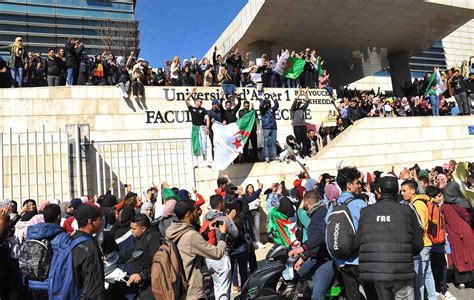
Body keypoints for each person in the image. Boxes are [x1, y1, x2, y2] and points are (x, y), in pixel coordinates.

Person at [356, 176, 424, 300]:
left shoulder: (366, 212)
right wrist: (403, 253)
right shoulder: (407, 211)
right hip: (401, 271)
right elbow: (418, 244)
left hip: (376, 273)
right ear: (398, 191)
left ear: (379, 191)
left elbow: (358, 243)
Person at [325, 166, 374, 300]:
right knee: (372, 294)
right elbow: (369, 233)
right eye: (358, 182)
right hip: (361, 260)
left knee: (352, 296)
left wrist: (336, 259)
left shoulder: (332, 207)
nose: (360, 185)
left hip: (342, 262)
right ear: (349, 185)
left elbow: (327, 235)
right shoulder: (360, 204)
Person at [166, 199, 227, 299]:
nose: (198, 213)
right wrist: (223, 235)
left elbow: (188, 246)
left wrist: (205, 233)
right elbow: (217, 253)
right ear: (188, 214)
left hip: (180, 286)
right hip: (192, 290)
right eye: (195, 211)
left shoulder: (172, 230)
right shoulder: (191, 235)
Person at [288, 190, 334, 300]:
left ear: (307, 203)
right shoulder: (315, 214)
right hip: (315, 257)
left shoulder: (322, 213)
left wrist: (302, 248)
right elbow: (315, 243)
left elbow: (321, 236)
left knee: (317, 295)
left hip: (326, 260)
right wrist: (303, 257)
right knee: (296, 278)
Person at [400, 180, 437, 300]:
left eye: (404, 191)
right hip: (426, 242)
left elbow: (420, 226)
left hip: (422, 244)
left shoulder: (417, 204)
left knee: (419, 279)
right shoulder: (421, 202)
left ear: (413, 191)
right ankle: (432, 297)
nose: (402, 193)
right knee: (427, 275)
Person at [202, 195, 238, 300]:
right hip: (221, 255)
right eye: (223, 202)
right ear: (220, 204)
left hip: (209, 255)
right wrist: (230, 219)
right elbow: (235, 233)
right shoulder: (223, 218)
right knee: (224, 288)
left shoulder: (206, 216)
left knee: (217, 286)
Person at [119, 214, 161, 299]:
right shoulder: (141, 239)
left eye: (133, 229)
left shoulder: (153, 238)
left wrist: (142, 275)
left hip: (151, 286)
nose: (131, 231)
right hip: (140, 284)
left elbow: (159, 264)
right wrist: (113, 257)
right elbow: (129, 253)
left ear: (143, 228)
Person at [441, 182, 474, 289]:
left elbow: (444, 221)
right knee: (470, 255)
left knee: (458, 256)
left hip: (453, 234)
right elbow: (468, 217)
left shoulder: (444, 206)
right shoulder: (463, 203)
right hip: (466, 232)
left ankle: (461, 282)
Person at [72, 203, 106, 299]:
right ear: (90, 221)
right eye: (100, 219)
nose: (102, 222)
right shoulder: (89, 247)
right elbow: (94, 286)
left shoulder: (72, 240)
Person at [185, 88, 210, 164]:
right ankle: (196, 161)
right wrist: (191, 93)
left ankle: (205, 159)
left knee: (204, 143)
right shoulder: (192, 108)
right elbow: (186, 100)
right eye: (200, 101)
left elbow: (207, 117)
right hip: (195, 127)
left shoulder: (203, 109)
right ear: (196, 102)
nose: (201, 102)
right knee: (196, 143)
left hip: (202, 127)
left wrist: (207, 126)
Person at [260, 92, 279, 163]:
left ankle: (274, 156)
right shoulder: (262, 110)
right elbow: (261, 105)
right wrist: (263, 99)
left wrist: (274, 99)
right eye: (266, 103)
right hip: (266, 128)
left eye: (268, 103)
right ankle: (267, 157)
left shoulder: (272, 109)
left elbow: (276, 105)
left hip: (273, 127)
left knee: (273, 143)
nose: (267, 105)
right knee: (266, 143)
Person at [291, 87, 310, 157]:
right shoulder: (293, 110)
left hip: (303, 126)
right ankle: (298, 155)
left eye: (300, 103)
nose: (299, 104)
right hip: (296, 127)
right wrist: (299, 94)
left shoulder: (302, 109)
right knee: (298, 141)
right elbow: (295, 102)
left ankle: (305, 154)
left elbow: (307, 101)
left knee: (304, 141)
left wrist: (305, 94)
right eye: (298, 103)